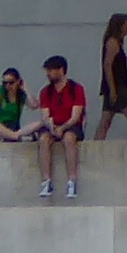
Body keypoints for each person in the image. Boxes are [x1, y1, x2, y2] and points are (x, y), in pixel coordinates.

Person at [35, 55, 88, 199]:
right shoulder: (45, 91)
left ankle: (72, 180)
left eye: (50, 70)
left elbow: (75, 116)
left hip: (70, 125)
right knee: (44, 139)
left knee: (69, 139)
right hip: (52, 125)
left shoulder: (76, 89)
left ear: (61, 70)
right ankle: (46, 181)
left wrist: (62, 128)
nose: (48, 74)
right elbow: (45, 115)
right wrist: (52, 127)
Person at [93, 15, 127, 142]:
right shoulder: (113, 42)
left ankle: (98, 142)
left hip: (119, 86)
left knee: (106, 120)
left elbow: (120, 70)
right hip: (117, 87)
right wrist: (113, 89)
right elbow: (108, 65)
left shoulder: (117, 42)